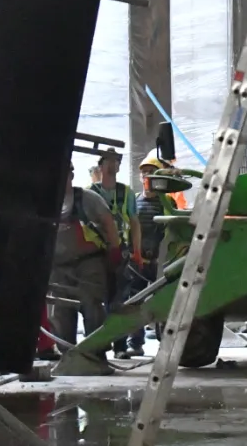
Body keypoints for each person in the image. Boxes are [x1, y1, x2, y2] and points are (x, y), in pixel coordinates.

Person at [50, 169, 119, 348]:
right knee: (62, 311)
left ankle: (95, 352)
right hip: (58, 267)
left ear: (71, 176)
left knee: (93, 308)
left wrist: (115, 249)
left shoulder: (88, 198)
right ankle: (68, 352)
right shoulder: (46, 200)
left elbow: (108, 223)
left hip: (89, 264)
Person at [125, 156, 182, 357]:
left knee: (164, 302)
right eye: (143, 171)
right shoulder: (133, 201)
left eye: (151, 171)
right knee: (135, 301)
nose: (146, 175)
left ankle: (165, 344)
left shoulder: (167, 202)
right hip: (138, 262)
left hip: (161, 263)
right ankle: (135, 343)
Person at [91, 149, 142, 358]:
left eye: (116, 161)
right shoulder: (90, 193)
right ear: (100, 167)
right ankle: (98, 344)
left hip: (120, 253)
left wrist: (136, 251)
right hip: (97, 253)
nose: (113, 165)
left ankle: (120, 347)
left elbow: (134, 223)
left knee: (119, 299)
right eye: (109, 161)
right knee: (98, 300)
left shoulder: (126, 193)